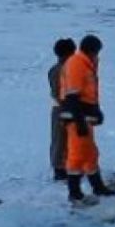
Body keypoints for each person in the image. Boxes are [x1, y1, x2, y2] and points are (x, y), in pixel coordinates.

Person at [60, 34, 115, 202]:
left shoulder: (87, 64)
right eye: (97, 52)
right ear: (92, 50)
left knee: (90, 153)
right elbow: (72, 96)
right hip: (77, 117)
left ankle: (98, 187)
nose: (97, 56)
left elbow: (90, 92)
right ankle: (74, 191)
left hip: (85, 116)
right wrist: (79, 122)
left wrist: (96, 111)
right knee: (77, 154)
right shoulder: (77, 64)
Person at [48, 38, 76, 180]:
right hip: (64, 108)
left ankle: (62, 166)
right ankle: (60, 168)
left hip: (61, 108)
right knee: (61, 139)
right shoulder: (63, 70)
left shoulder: (55, 69)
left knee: (61, 139)